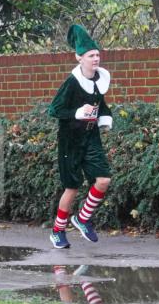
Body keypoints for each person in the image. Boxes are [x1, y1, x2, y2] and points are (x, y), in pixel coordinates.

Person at [47, 24, 113, 249]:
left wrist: (105, 118)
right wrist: (76, 113)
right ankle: (57, 230)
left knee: (103, 180)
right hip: (70, 141)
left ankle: (82, 218)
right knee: (72, 188)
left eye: (97, 55)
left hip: (91, 137)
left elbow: (101, 105)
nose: (95, 59)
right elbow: (54, 110)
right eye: (90, 55)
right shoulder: (72, 83)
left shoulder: (98, 80)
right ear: (79, 58)